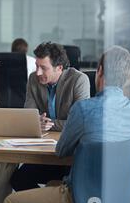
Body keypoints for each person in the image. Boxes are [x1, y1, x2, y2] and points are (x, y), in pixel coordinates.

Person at [4, 46, 130, 203]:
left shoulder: (84, 110)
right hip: (120, 199)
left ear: (100, 71)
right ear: (128, 78)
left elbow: (61, 151)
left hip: (78, 198)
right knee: (54, 184)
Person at [10, 42, 90, 192]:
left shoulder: (79, 80)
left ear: (59, 68)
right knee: (17, 179)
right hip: (43, 150)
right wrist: (35, 122)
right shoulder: (34, 79)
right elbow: (29, 114)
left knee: (68, 186)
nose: (38, 72)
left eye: (43, 68)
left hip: (69, 155)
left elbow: (80, 123)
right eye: (36, 66)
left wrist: (48, 123)